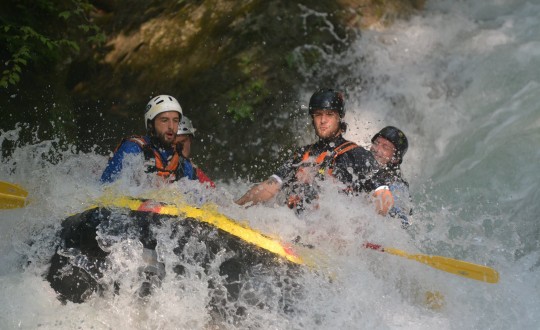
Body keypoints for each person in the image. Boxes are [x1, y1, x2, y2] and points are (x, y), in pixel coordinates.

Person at [235, 88, 377, 212]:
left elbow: (381, 197)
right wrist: (235, 207)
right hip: (296, 228)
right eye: (318, 115)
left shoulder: (356, 154)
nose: (323, 120)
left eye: (329, 115)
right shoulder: (302, 154)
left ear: (339, 118)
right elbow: (270, 186)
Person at [100, 94, 197, 183]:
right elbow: (105, 190)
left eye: (175, 121)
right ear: (151, 124)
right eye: (164, 120)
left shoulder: (184, 165)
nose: (171, 126)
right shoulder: (132, 150)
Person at [368, 126, 412, 227]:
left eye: (385, 147)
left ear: (395, 158)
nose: (377, 149)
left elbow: (400, 223)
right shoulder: (361, 168)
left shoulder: (397, 186)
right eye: (376, 143)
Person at [174, 116, 216, 188]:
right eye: (173, 143)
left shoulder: (194, 172)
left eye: (182, 142)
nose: (178, 148)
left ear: (190, 140)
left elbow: (215, 195)